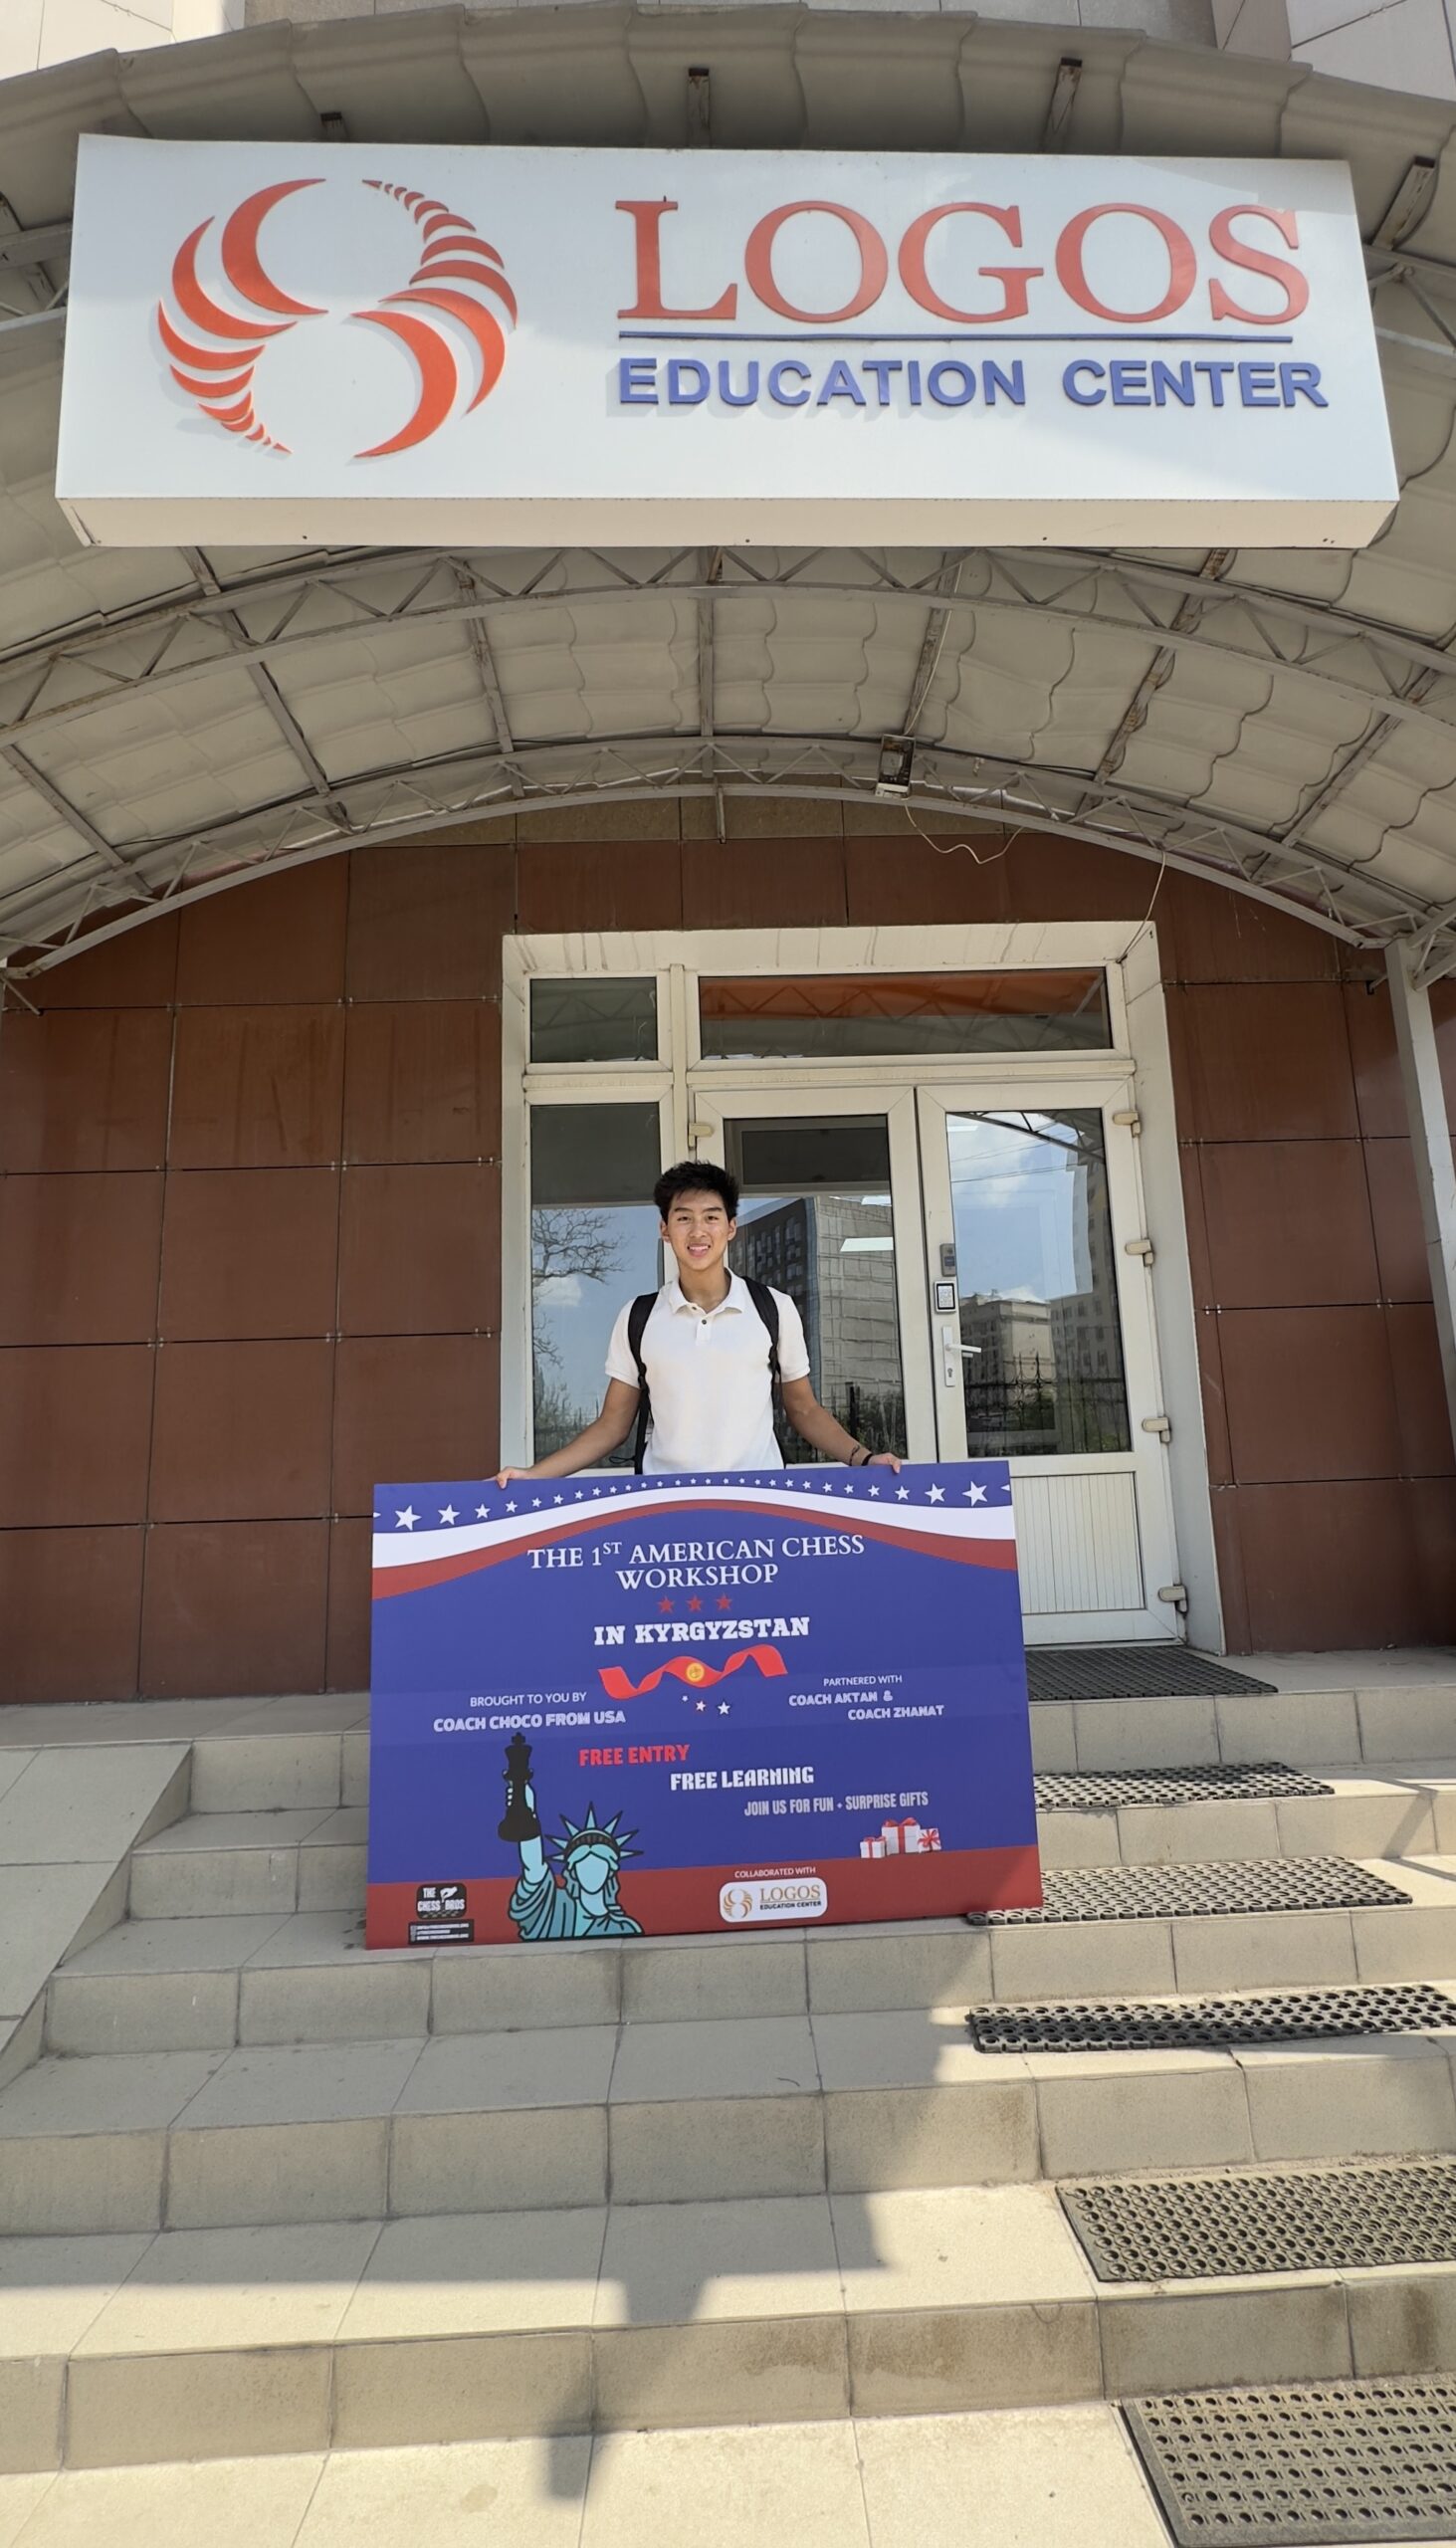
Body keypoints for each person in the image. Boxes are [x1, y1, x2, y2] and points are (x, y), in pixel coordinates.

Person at [499, 1159, 902, 1482]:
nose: (698, 1231)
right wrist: (534, 1475)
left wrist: (865, 1459)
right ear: (664, 1229)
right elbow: (612, 1426)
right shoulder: (638, 1316)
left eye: (711, 1217)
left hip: (757, 1501)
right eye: (683, 1218)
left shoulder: (773, 1308)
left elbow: (805, 1411)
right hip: (668, 1506)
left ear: (730, 1227)